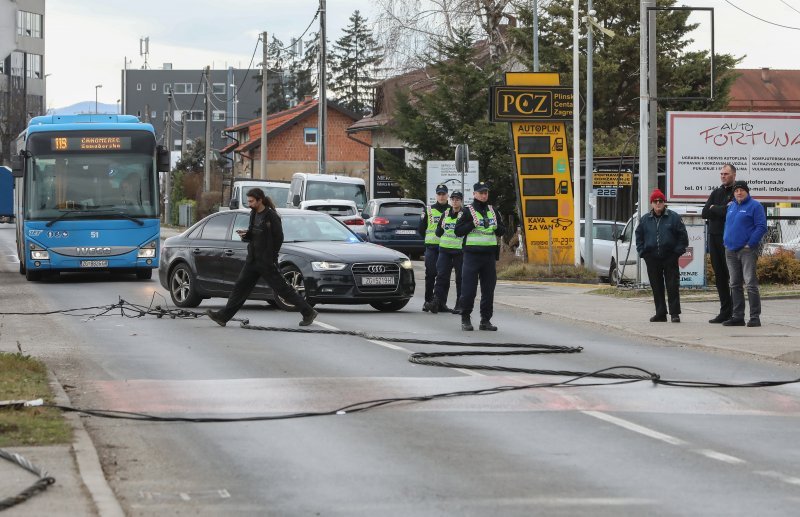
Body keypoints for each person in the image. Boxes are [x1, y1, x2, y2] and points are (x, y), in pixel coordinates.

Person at [206, 188, 317, 327]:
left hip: (266, 262)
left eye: (252, 201)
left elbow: (279, 237)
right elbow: (254, 233)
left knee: (282, 289)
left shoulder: (271, 216)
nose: (249, 204)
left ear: (260, 200)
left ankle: (308, 312)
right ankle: (223, 316)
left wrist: (271, 256)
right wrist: (246, 235)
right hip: (252, 260)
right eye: (249, 201)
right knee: (240, 288)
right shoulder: (253, 214)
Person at [454, 182, 505, 331]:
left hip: (489, 257)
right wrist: (471, 225)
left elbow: (502, 231)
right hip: (471, 256)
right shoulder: (467, 211)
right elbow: (458, 231)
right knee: (469, 290)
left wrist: (497, 227)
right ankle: (465, 318)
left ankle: (485, 320)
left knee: (488, 291)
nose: (484, 195)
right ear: (475, 194)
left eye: (486, 193)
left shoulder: (493, 210)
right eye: (481, 193)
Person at [635, 189, 689, 323]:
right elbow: (639, 237)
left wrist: (676, 253)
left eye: (660, 201)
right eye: (655, 201)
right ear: (651, 204)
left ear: (664, 202)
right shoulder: (645, 219)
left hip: (670, 257)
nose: (658, 203)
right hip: (652, 258)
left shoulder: (674, 217)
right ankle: (660, 313)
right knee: (656, 286)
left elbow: (683, 237)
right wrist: (643, 252)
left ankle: (675, 314)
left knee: (672, 286)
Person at [722, 181, 767, 327]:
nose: (739, 193)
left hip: (747, 250)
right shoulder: (732, 206)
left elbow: (761, 227)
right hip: (730, 250)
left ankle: (755, 317)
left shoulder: (755, 206)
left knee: (750, 283)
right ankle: (738, 317)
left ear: (747, 191)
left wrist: (750, 243)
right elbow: (729, 225)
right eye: (736, 191)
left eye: (741, 190)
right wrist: (726, 240)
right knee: (734, 284)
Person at [702, 163, 736, 323]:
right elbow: (704, 212)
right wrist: (718, 208)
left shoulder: (737, 192)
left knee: (732, 276)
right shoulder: (716, 192)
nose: (723, 176)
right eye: (721, 174)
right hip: (713, 238)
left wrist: (715, 209)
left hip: (728, 239)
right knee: (720, 276)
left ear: (733, 175)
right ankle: (724, 311)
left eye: (726, 174)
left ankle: (736, 312)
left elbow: (728, 212)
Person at [427, 191, 464, 314]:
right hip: (444, 250)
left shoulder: (465, 214)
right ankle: (438, 302)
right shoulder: (446, 213)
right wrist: (439, 231)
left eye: (457, 199)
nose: (455, 201)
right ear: (450, 201)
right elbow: (438, 231)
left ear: (461, 201)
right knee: (441, 277)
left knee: (460, 278)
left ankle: (460, 304)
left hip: (459, 251)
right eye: (453, 199)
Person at [420, 183, 451, 312]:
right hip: (432, 247)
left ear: (447, 195)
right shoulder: (428, 210)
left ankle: (441, 303)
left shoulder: (452, 210)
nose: (442, 196)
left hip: (447, 248)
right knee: (431, 274)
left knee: (444, 276)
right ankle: (428, 301)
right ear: (436, 196)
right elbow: (421, 229)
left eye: (444, 194)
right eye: (439, 194)